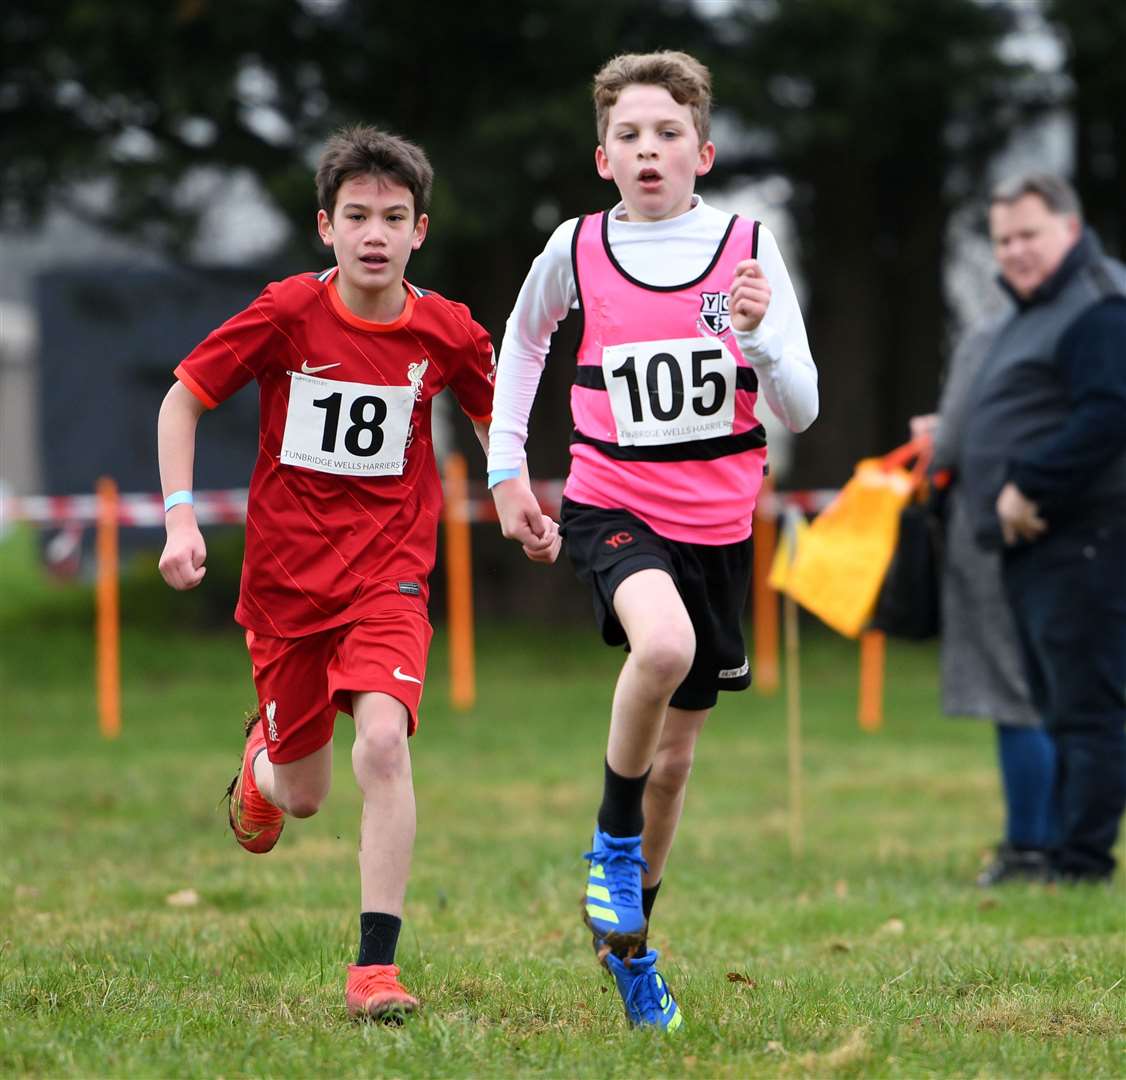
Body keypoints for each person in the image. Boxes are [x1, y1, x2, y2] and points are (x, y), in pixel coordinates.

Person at [156, 125, 559, 1020]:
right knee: (304, 796)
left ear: (420, 231)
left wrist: (512, 495)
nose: (374, 233)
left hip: (391, 577)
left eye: (393, 217)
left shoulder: (447, 329)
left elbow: (506, 417)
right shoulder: (285, 313)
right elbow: (183, 398)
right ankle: (262, 766)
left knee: (383, 745)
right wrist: (181, 515)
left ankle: (375, 969)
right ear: (325, 227)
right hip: (285, 589)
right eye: (356, 216)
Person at [488, 51, 818, 1029]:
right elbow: (524, 338)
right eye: (628, 135)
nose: (647, 149)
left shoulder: (751, 252)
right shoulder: (576, 248)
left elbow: (799, 407)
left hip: (717, 526)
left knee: (675, 764)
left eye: (666, 133)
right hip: (610, 503)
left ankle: (629, 948)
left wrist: (757, 337)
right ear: (603, 157)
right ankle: (611, 847)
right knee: (661, 647)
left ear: (701, 151)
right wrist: (508, 470)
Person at [959, 172, 1126, 883]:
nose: (1015, 252)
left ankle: (1081, 861)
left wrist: (1029, 482)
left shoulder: (1097, 305)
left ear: (1069, 225)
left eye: (1029, 234)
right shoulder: (1036, 307)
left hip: (1084, 537)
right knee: (1058, 704)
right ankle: (1055, 849)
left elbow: (1110, 411)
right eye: (1002, 240)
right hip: (1038, 546)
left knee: (1087, 709)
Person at [912, 327, 1057, 887]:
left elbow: (956, 441)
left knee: (1014, 693)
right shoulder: (1104, 312)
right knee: (1065, 689)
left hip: (997, 529)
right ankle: (1074, 841)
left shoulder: (999, 332)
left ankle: (1029, 848)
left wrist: (939, 438)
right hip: (1082, 529)